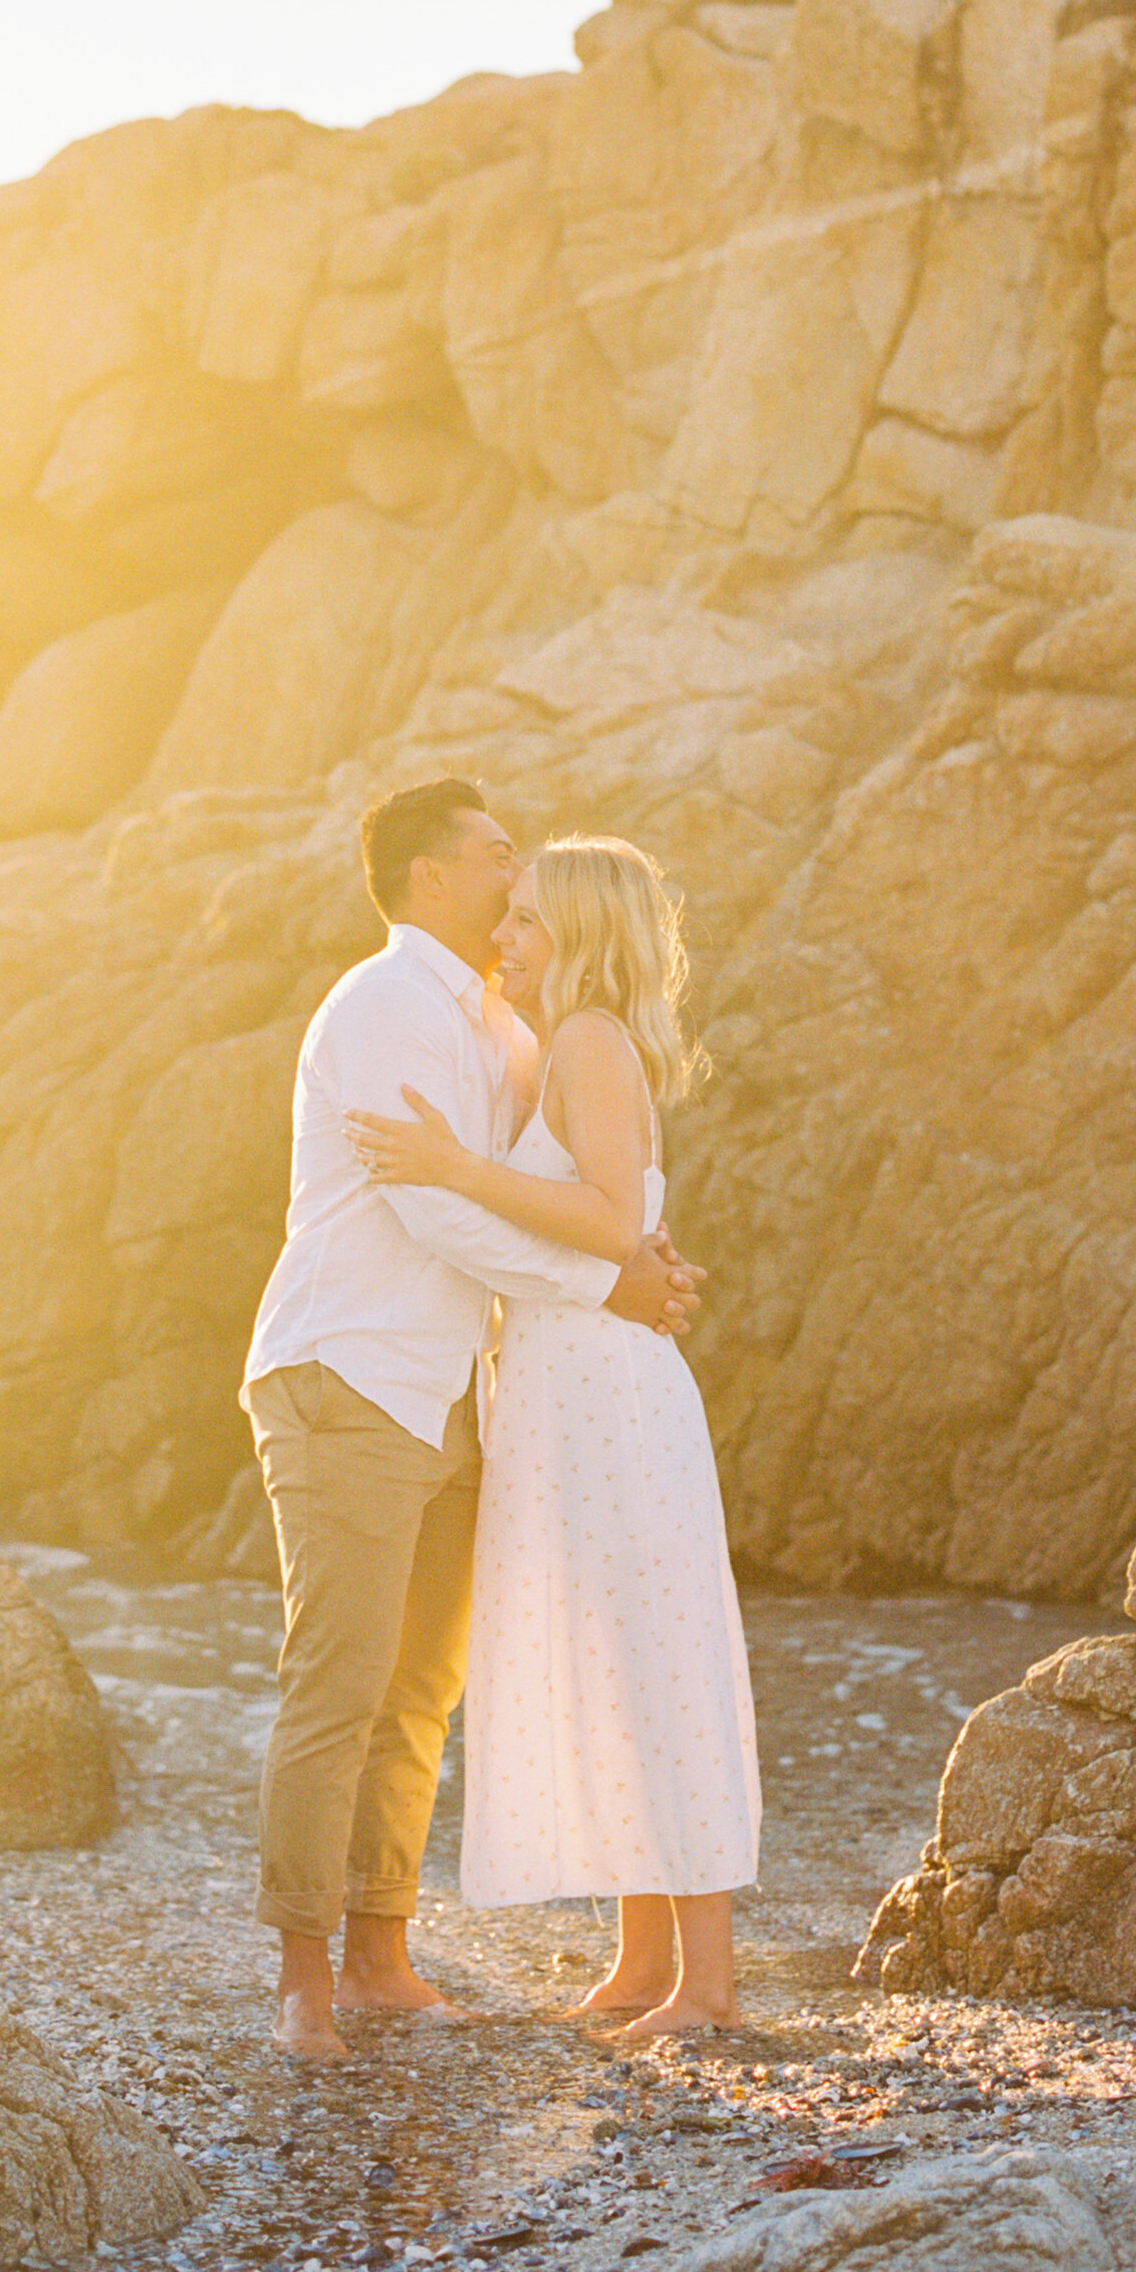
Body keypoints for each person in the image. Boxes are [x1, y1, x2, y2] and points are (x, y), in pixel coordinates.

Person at [241, 777, 705, 2066]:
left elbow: (538, 1189)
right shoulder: (382, 1006)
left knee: (419, 1691)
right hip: (349, 1372)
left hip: (455, 1388)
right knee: (336, 1684)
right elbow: (432, 1209)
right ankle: (302, 1982)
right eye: (498, 854)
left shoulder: (504, 1025)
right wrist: (612, 1281)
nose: (519, 873)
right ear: (431, 877)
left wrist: (639, 1246)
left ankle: (381, 1955)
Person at [348, 835, 759, 2042]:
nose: (505, 938)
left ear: (580, 932)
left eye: (527, 920)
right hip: (560, 1386)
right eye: (504, 916)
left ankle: (710, 1986)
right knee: (608, 1657)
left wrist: (454, 1168)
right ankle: (642, 1961)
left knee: (652, 1656)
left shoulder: (586, 1040)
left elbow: (611, 1219)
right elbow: (612, 1231)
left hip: (605, 1392)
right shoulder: (563, 1045)